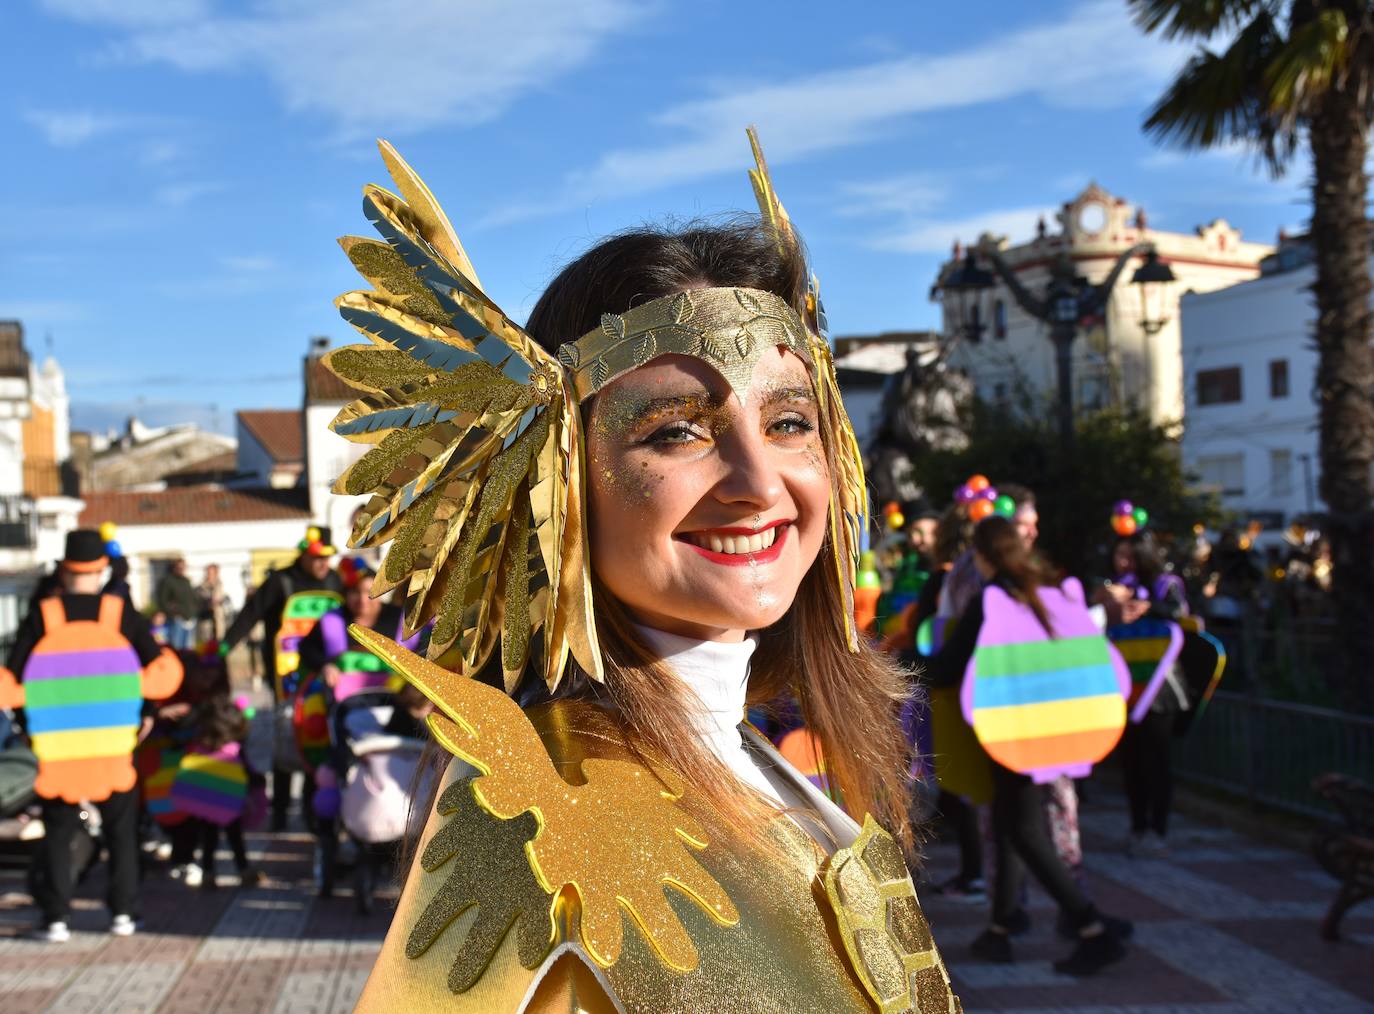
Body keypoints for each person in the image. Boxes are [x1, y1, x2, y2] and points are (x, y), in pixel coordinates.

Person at [326, 138, 959, 1011]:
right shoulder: (537, 815)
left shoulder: (754, 762)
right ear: (552, 483)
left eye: (786, 422)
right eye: (675, 430)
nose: (759, 484)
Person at [928, 516, 1131, 975]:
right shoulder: (1052, 592)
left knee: (1024, 831)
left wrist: (898, 662)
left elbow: (948, 667)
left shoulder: (993, 599)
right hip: (1057, 728)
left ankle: (1090, 928)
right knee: (1008, 823)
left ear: (982, 556)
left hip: (1014, 731)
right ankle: (1001, 929)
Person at [0, 529, 182, 941]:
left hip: (59, 747)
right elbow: (159, 672)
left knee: (59, 832)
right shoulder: (119, 614)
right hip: (114, 743)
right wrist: (147, 712)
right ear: (102, 569)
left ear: (65, 571)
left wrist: (30, 730)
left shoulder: (43, 615)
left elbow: (11, 678)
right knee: (121, 832)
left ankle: (57, 917)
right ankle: (122, 913)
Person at [221, 529, 342, 830]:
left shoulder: (335, 581)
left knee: (321, 737)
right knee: (287, 739)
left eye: (327, 558)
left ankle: (316, 812)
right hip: (286, 677)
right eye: (317, 558)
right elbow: (251, 614)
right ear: (303, 555)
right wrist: (225, 645)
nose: (323, 564)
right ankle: (280, 812)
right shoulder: (281, 582)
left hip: (324, 674)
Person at [1099, 531, 1190, 857]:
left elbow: (1178, 613)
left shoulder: (1167, 585)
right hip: (1125, 685)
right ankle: (1138, 827)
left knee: (1158, 760)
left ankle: (1158, 830)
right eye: (1118, 555)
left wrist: (1148, 607)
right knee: (1132, 762)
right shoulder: (1113, 589)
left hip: (1162, 687)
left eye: (1129, 556)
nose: (1122, 562)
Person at [155, 559, 200, 651]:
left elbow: (192, 599)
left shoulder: (186, 581)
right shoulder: (168, 581)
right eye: (179, 567)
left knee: (188, 650)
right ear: (174, 568)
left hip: (190, 620)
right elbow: (163, 601)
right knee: (176, 648)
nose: (182, 569)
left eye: (183, 567)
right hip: (176, 621)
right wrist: (174, 612)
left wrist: (194, 611)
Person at [197, 563, 230, 642]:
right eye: (208, 573)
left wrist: (220, 602)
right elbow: (197, 602)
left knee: (220, 642)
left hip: (218, 619)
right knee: (206, 643)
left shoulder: (220, 585)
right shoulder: (200, 587)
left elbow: (225, 599)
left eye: (211, 573)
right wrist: (207, 604)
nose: (209, 575)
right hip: (206, 619)